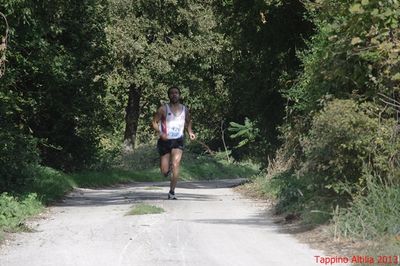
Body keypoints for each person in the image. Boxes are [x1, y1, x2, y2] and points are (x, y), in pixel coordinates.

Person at [152, 86, 196, 199]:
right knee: (164, 170)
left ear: (179, 95)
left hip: (178, 140)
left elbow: (188, 121)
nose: (174, 95)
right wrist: (161, 133)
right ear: (168, 95)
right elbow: (154, 123)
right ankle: (166, 170)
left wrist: (190, 132)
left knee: (176, 164)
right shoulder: (163, 109)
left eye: (176, 93)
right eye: (171, 93)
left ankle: (172, 192)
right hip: (165, 141)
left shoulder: (185, 109)